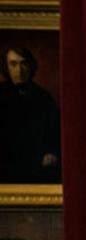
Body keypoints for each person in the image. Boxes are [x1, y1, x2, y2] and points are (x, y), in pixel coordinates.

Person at [0, 47, 61, 182]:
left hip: (36, 162)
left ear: (30, 66)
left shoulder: (43, 97)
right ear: (6, 67)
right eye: (13, 64)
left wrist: (51, 152)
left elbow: (55, 130)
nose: (19, 70)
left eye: (23, 63)